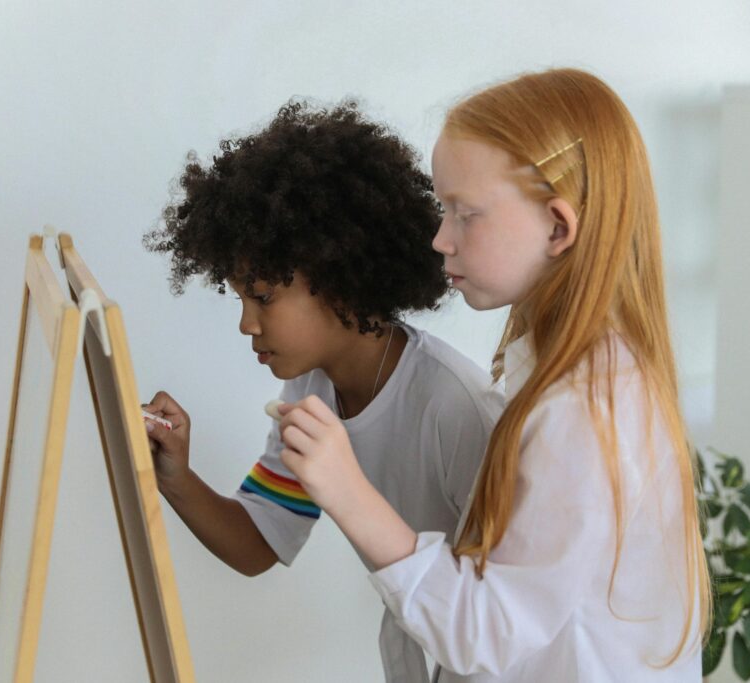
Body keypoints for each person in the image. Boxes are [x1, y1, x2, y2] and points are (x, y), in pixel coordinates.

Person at [276, 69, 711, 682]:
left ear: (558, 227)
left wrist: (348, 491)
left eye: (464, 214)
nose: (440, 239)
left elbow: (488, 632)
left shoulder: (583, 408)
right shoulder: (561, 378)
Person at [142, 100, 505, 682]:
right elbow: (259, 541)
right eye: (239, 298)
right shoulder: (310, 388)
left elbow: (504, 616)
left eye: (262, 297)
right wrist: (176, 477)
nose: (246, 324)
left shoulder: (454, 408)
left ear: (341, 282)